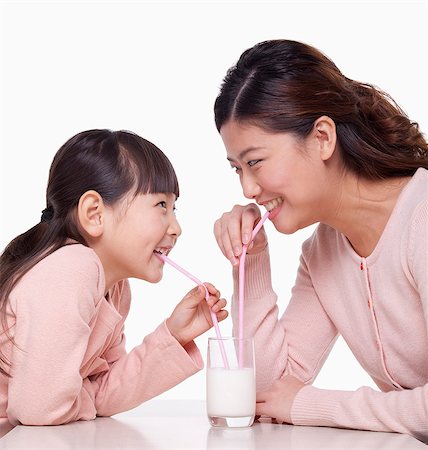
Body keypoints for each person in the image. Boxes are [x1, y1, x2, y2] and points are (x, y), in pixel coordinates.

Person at [213, 39, 428, 440]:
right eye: (236, 169)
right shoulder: (323, 252)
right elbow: (266, 394)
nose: (247, 189)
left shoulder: (422, 219)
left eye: (255, 161)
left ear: (323, 138)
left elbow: (293, 402)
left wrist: (312, 404)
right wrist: (252, 260)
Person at [0, 129, 228, 426]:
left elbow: (105, 393)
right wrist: (85, 396)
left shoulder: (116, 290)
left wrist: (174, 335)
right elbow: (39, 410)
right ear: (95, 213)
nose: (176, 227)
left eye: (175, 209)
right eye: (161, 206)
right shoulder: (70, 268)